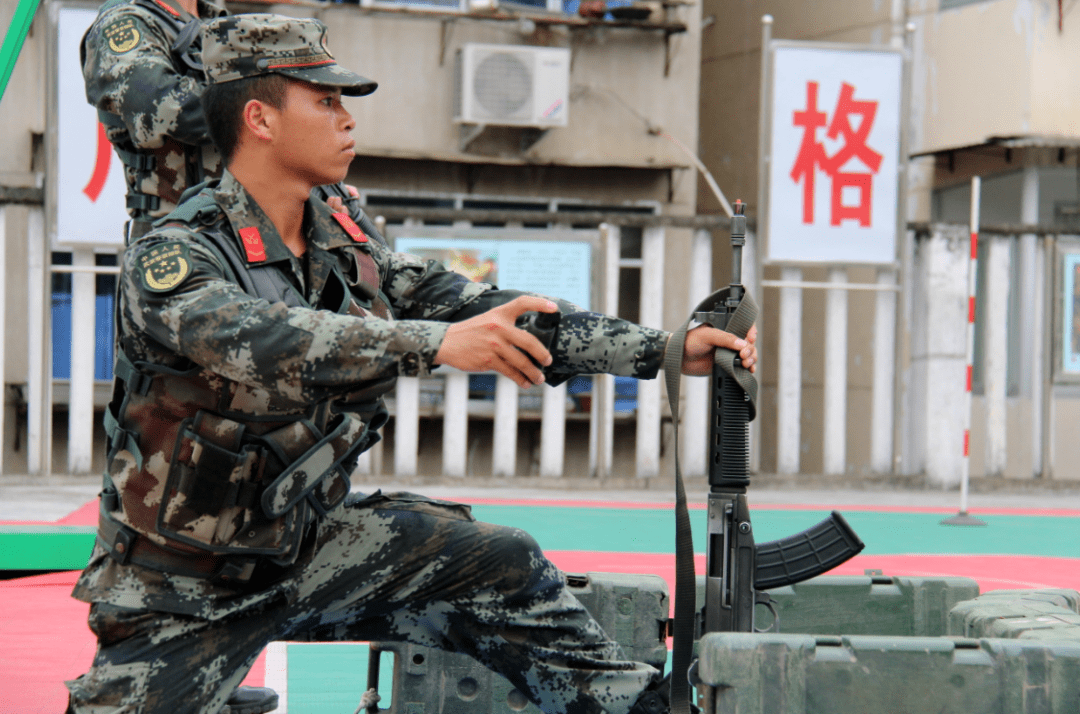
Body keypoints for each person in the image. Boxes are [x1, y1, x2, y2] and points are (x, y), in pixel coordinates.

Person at [64, 13, 758, 714]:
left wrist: (664, 349)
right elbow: (270, 339)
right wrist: (430, 345)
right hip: (185, 589)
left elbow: (476, 306)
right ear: (260, 119)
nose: (347, 119)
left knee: (503, 562)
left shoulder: (341, 239)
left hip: (310, 548)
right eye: (326, 101)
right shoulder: (174, 252)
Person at [81, 0, 367, 245]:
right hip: (180, 235)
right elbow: (164, 110)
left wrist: (312, 186)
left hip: (253, 232)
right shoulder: (124, 24)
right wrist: (279, 108)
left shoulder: (217, 20)